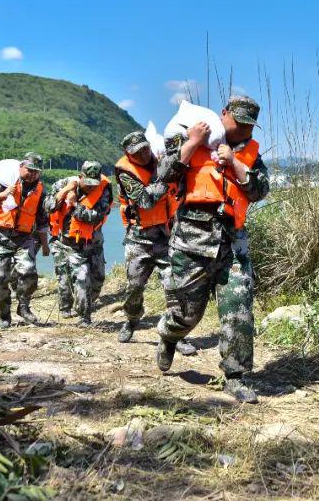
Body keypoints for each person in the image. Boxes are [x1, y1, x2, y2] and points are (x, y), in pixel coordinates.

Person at [155, 95, 270, 403]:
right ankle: (169, 335)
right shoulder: (189, 135)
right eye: (238, 123)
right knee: (187, 314)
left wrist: (233, 160)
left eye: (249, 125)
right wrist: (192, 143)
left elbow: (260, 190)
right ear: (224, 115)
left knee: (238, 310)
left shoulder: (249, 152)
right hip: (191, 243)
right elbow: (164, 174)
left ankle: (236, 376)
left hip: (232, 244)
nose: (243, 130)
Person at [113, 131, 196, 355]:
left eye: (145, 148)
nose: (143, 154)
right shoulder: (124, 171)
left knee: (174, 286)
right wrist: (166, 177)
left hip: (164, 237)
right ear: (127, 154)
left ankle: (175, 334)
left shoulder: (163, 163)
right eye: (137, 152)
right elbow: (145, 200)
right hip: (138, 238)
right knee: (134, 288)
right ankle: (131, 320)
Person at [0, 152, 50, 328]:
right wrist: (4, 194)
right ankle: (4, 313)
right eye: (29, 170)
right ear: (21, 167)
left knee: (30, 274)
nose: (32, 174)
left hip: (24, 238)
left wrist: (45, 245)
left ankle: (24, 306)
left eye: (36, 171)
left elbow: (42, 221)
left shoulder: (40, 190)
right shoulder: (4, 181)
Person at [51, 160, 112, 324]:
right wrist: (64, 193)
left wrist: (74, 204)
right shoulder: (63, 184)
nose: (92, 187)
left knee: (98, 279)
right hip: (70, 244)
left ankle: (84, 303)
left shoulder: (104, 189)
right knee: (81, 278)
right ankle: (84, 317)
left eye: (95, 183)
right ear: (80, 177)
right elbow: (48, 207)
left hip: (94, 243)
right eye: (88, 183)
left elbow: (96, 217)